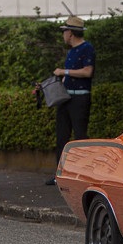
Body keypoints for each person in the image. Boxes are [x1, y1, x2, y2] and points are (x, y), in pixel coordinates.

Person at [46, 15, 95, 185]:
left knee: (80, 136)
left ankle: (85, 174)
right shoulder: (71, 52)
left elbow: (87, 72)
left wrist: (64, 72)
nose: (63, 35)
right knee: (62, 137)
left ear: (71, 33)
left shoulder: (87, 48)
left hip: (80, 98)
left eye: (64, 31)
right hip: (65, 98)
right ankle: (60, 174)